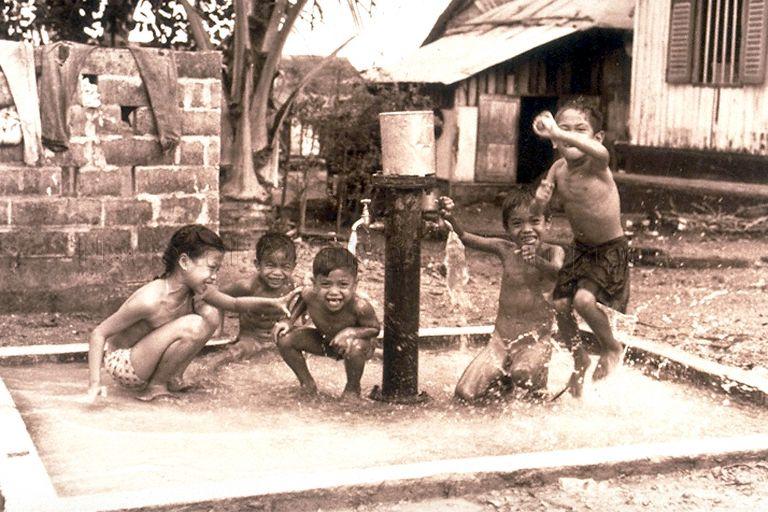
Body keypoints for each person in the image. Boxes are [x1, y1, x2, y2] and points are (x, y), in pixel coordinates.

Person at [85, 224, 298, 403]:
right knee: (194, 324)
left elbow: (234, 303)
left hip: (147, 358)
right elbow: (99, 334)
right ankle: (156, 388)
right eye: (212, 268)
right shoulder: (150, 299)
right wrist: (94, 385)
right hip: (126, 364)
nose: (214, 276)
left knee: (211, 313)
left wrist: (275, 302)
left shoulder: (198, 290)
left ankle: (172, 378)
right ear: (185, 262)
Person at [532, 100, 630, 397]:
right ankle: (579, 359)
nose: (570, 136)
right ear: (553, 142)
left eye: (580, 130)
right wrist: (540, 199)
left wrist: (559, 132)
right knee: (560, 304)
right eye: (564, 130)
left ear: (596, 137)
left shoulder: (597, 163)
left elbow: (600, 151)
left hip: (610, 248)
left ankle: (612, 348)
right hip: (581, 248)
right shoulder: (557, 169)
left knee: (584, 301)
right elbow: (538, 213)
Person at [440, 191, 564, 402]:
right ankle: (503, 379)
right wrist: (450, 217)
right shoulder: (504, 249)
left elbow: (556, 271)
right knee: (465, 394)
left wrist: (536, 261)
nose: (526, 230)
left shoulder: (553, 251)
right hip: (501, 340)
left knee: (522, 375)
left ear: (547, 223)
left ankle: (539, 388)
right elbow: (466, 237)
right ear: (507, 228)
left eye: (535, 221)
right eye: (517, 223)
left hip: (536, 341)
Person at [273, 246, 380, 400]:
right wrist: (289, 321)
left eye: (343, 285)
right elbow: (303, 298)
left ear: (355, 284)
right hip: (326, 342)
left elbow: (374, 328)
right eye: (326, 284)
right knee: (285, 338)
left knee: (355, 346)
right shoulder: (310, 294)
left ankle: (352, 388)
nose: (334, 292)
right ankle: (307, 383)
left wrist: (350, 332)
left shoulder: (360, 306)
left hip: (357, 349)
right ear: (314, 283)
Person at [208, 232, 297, 368]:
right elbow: (216, 297)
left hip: (279, 338)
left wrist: (293, 321)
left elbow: (306, 302)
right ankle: (204, 369)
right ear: (257, 265)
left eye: (285, 267)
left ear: (293, 267)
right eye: (270, 265)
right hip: (252, 339)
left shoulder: (292, 285)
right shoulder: (248, 286)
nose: (277, 273)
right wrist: (218, 331)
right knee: (233, 353)